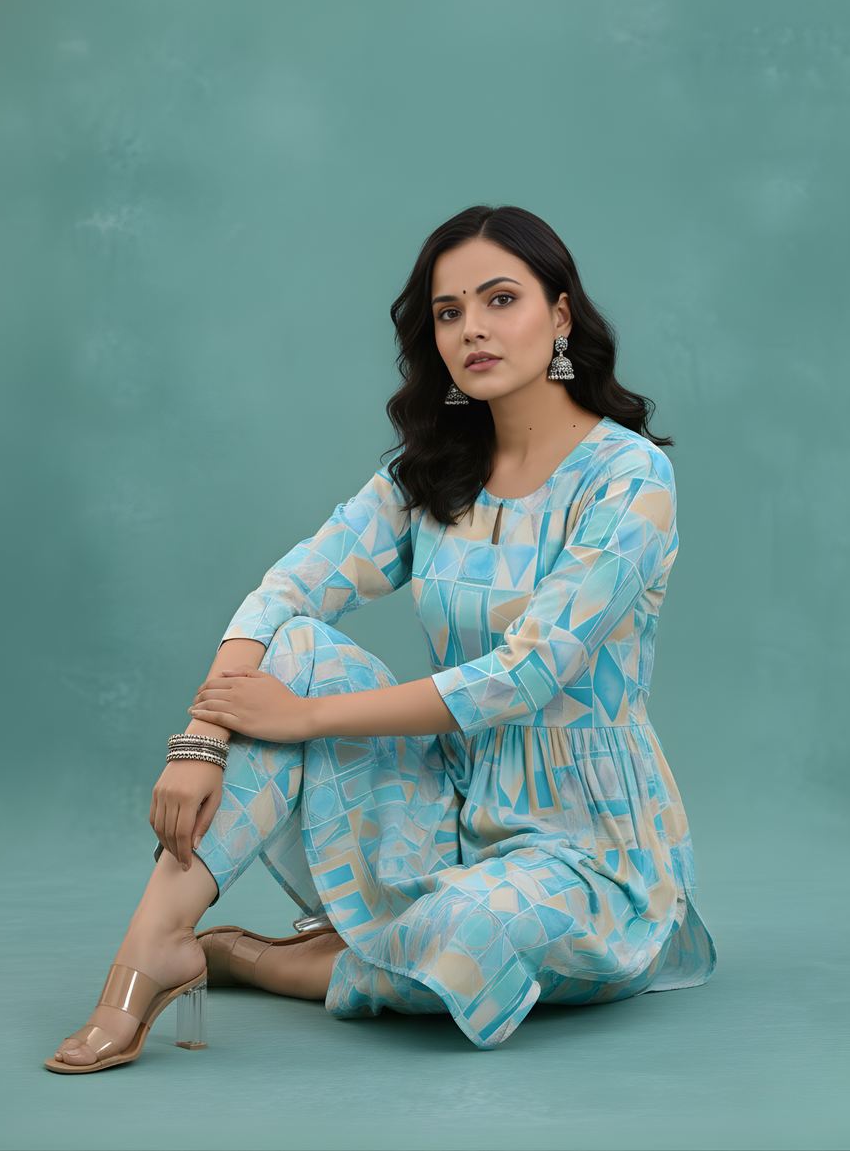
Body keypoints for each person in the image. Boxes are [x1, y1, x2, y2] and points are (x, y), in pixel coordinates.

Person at [46, 204, 715, 1072]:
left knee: (466, 933)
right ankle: (153, 945)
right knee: (290, 646)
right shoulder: (431, 473)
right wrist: (203, 734)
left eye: (500, 299)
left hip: (588, 846)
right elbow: (287, 588)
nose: (472, 327)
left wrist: (309, 721)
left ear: (558, 315)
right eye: (448, 311)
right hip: (445, 804)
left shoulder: (630, 477)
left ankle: (269, 957)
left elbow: (524, 677)